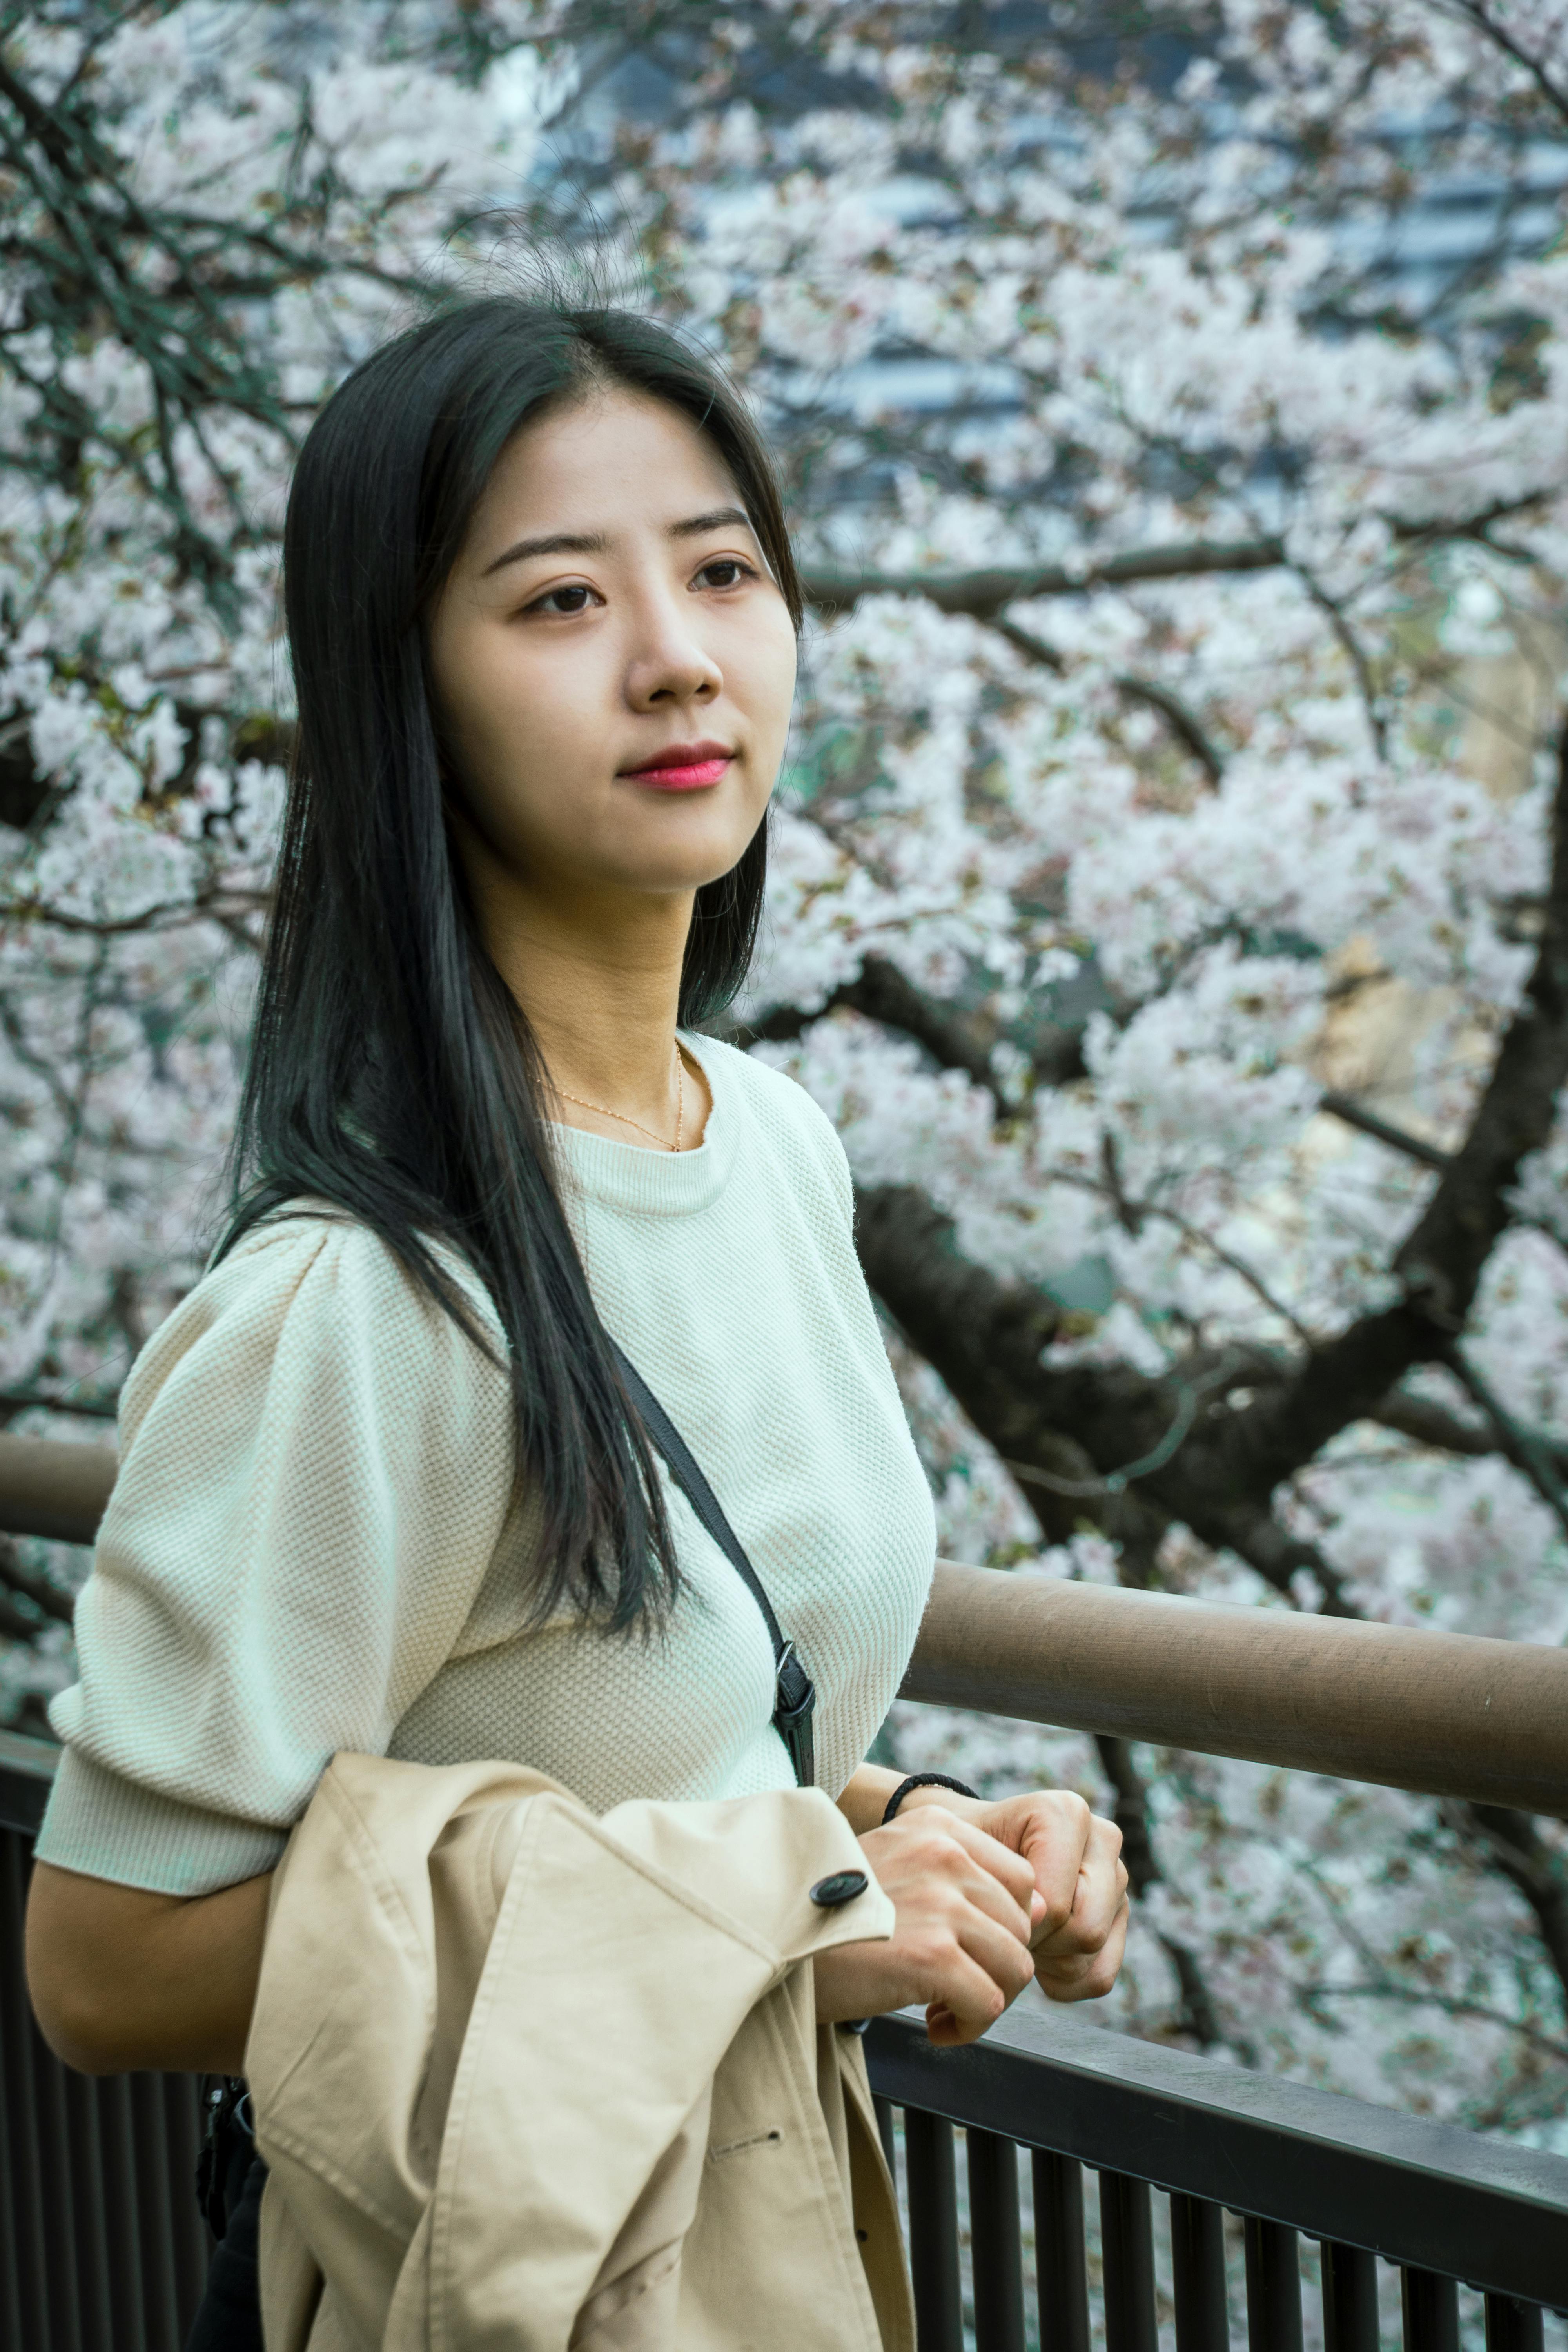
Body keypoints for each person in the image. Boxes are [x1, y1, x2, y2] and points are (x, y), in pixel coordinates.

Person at [24, 294, 1129, 2337]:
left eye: (722, 570)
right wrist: (784, 1904)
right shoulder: (366, 1307)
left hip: (759, 2231)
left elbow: (686, 1725)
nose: (679, 653)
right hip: (512, 2275)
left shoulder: (773, 1142)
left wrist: (921, 1830)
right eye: (556, 602)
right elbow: (103, 1967)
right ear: (402, 691)